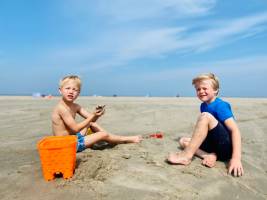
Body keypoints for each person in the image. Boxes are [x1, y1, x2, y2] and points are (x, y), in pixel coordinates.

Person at [167, 73, 244, 177]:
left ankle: (186, 156)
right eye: (198, 89)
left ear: (215, 90)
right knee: (183, 141)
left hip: (225, 147)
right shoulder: (203, 106)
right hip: (213, 145)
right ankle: (208, 155)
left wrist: (236, 158)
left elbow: (235, 130)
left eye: (204, 88)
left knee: (205, 117)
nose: (201, 91)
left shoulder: (221, 106)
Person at [52, 75, 142, 153]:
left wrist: (97, 114)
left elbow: (92, 120)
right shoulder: (61, 108)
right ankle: (124, 139)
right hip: (66, 145)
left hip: (73, 138)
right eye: (67, 88)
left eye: (75, 90)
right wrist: (93, 115)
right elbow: (75, 128)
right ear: (60, 90)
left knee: (91, 124)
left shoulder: (76, 106)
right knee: (102, 135)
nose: (71, 91)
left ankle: (112, 138)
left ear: (78, 93)